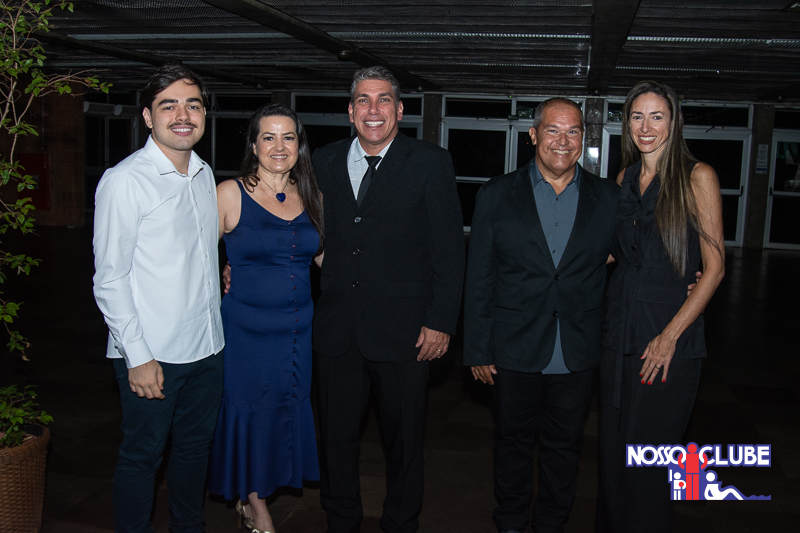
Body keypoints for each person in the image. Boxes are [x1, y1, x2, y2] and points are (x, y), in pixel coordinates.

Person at [312, 66, 465, 533]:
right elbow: (299, 226)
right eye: (363, 100)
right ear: (350, 111)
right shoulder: (322, 160)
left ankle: (401, 523)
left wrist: (441, 321)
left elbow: (449, 250)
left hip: (406, 332)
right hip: (337, 329)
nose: (373, 109)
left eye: (383, 100)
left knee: (404, 441)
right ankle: (341, 520)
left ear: (399, 110)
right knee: (335, 439)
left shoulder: (430, 162)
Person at [463, 98, 620, 533]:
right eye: (553, 130)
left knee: (564, 446)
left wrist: (688, 276)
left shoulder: (609, 198)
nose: (562, 141)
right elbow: (480, 276)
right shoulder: (496, 194)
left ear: (583, 138)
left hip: (577, 346)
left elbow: (635, 254)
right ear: (533, 135)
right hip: (512, 346)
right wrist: (478, 347)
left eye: (573, 131)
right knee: (511, 442)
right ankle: (511, 521)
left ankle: (552, 522)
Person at [93, 64, 224, 533]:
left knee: (194, 450)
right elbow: (110, 279)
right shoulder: (125, 180)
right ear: (148, 117)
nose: (183, 115)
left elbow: (195, 253)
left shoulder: (204, 174)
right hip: (154, 353)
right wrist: (138, 357)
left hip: (208, 347)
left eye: (193, 104)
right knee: (142, 456)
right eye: (169, 106)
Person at [595, 80, 725, 533]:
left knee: (649, 460)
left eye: (656, 116)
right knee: (613, 455)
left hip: (667, 333)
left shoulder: (697, 176)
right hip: (618, 330)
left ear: (674, 122)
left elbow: (714, 268)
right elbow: (614, 253)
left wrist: (669, 338)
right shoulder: (624, 179)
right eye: (637, 116)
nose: (645, 127)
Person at [209, 104, 323, 533]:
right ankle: (258, 509)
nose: (279, 146)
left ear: (299, 145)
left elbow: (329, 260)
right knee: (251, 414)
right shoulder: (229, 193)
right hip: (246, 335)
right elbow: (195, 256)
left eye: (288, 137)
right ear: (254, 144)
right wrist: (220, 270)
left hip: (297, 334)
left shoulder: (313, 196)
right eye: (269, 137)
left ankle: (251, 495)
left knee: (281, 414)